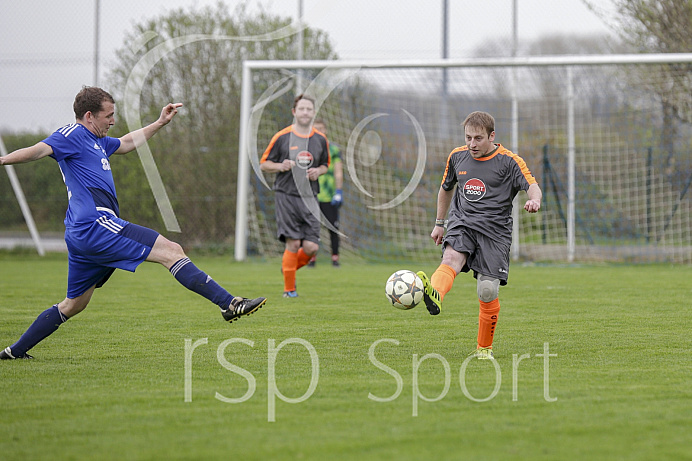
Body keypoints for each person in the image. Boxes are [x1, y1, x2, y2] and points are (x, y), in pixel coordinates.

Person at [0, 86, 266, 360]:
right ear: (89, 116)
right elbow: (38, 150)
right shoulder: (72, 135)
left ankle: (13, 352)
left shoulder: (99, 141)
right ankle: (229, 304)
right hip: (96, 225)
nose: (113, 121)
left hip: (84, 233)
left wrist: (160, 122)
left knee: (74, 304)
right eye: (109, 115)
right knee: (171, 251)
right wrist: (3, 159)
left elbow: (126, 143)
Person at [417, 111, 542, 360]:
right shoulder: (457, 156)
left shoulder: (510, 161)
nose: (472, 144)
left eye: (478, 138)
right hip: (462, 222)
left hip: (495, 233)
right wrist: (439, 223)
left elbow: (532, 185)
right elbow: (445, 189)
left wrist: (534, 200)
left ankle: (484, 349)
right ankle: (436, 294)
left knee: (487, 291)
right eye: (468, 138)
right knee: (451, 258)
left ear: (492, 136)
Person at [259, 94, 330, 298]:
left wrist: (319, 171)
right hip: (286, 196)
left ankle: (287, 267)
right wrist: (280, 166)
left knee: (311, 247)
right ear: (294, 112)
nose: (305, 112)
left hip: (310, 198)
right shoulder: (281, 137)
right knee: (293, 243)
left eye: (309, 109)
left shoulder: (320, 139)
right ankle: (289, 290)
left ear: (313, 112)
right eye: (302, 109)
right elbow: (264, 164)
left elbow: (326, 165)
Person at [308, 118, 343, 268]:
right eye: (316, 128)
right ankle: (311, 259)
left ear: (326, 130)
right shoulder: (308, 148)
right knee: (311, 228)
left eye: (322, 128)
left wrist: (339, 191)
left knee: (333, 228)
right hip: (312, 194)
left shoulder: (333, 149)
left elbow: (338, 172)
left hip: (329, 195)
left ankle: (335, 259)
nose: (320, 131)